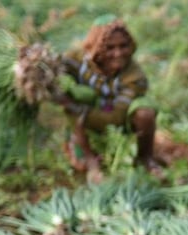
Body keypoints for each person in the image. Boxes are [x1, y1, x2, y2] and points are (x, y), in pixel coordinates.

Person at [55, 15, 161, 179]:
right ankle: (88, 157)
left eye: (123, 46)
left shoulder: (135, 77)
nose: (118, 53)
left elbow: (116, 116)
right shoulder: (77, 60)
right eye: (109, 48)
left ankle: (145, 158)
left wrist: (73, 106)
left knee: (145, 113)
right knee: (80, 96)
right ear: (97, 47)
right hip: (86, 113)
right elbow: (53, 66)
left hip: (116, 115)